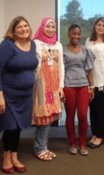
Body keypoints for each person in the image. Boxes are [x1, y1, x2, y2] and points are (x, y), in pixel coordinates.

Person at [0, 16, 38, 173]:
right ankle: (6, 157)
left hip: (25, 96)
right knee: (10, 126)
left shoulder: (32, 45)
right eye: (20, 27)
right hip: (8, 95)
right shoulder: (6, 46)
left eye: (26, 25)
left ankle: (14, 156)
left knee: (17, 127)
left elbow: (31, 67)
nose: (24, 29)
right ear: (13, 31)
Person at [32, 17, 65, 161]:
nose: (51, 29)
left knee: (50, 116)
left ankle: (42, 146)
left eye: (53, 27)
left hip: (54, 84)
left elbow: (61, 66)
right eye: (48, 27)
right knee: (43, 117)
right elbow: (33, 65)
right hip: (40, 84)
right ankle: (40, 148)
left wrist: (61, 86)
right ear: (42, 27)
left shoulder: (58, 44)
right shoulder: (36, 44)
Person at [63, 24, 96, 155]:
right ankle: (72, 143)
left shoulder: (85, 50)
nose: (76, 36)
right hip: (68, 85)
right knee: (70, 116)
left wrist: (91, 86)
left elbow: (89, 70)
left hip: (83, 85)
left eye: (78, 34)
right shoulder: (63, 50)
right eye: (74, 33)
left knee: (83, 115)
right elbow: (61, 70)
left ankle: (82, 144)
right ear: (68, 34)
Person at [85, 17, 104, 148]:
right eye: (99, 25)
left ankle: (99, 136)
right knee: (92, 110)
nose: (101, 27)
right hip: (89, 82)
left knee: (99, 110)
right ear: (95, 26)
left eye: (103, 25)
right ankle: (94, 134)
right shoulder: (88, 40)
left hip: (101, 83)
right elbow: (86, 61)